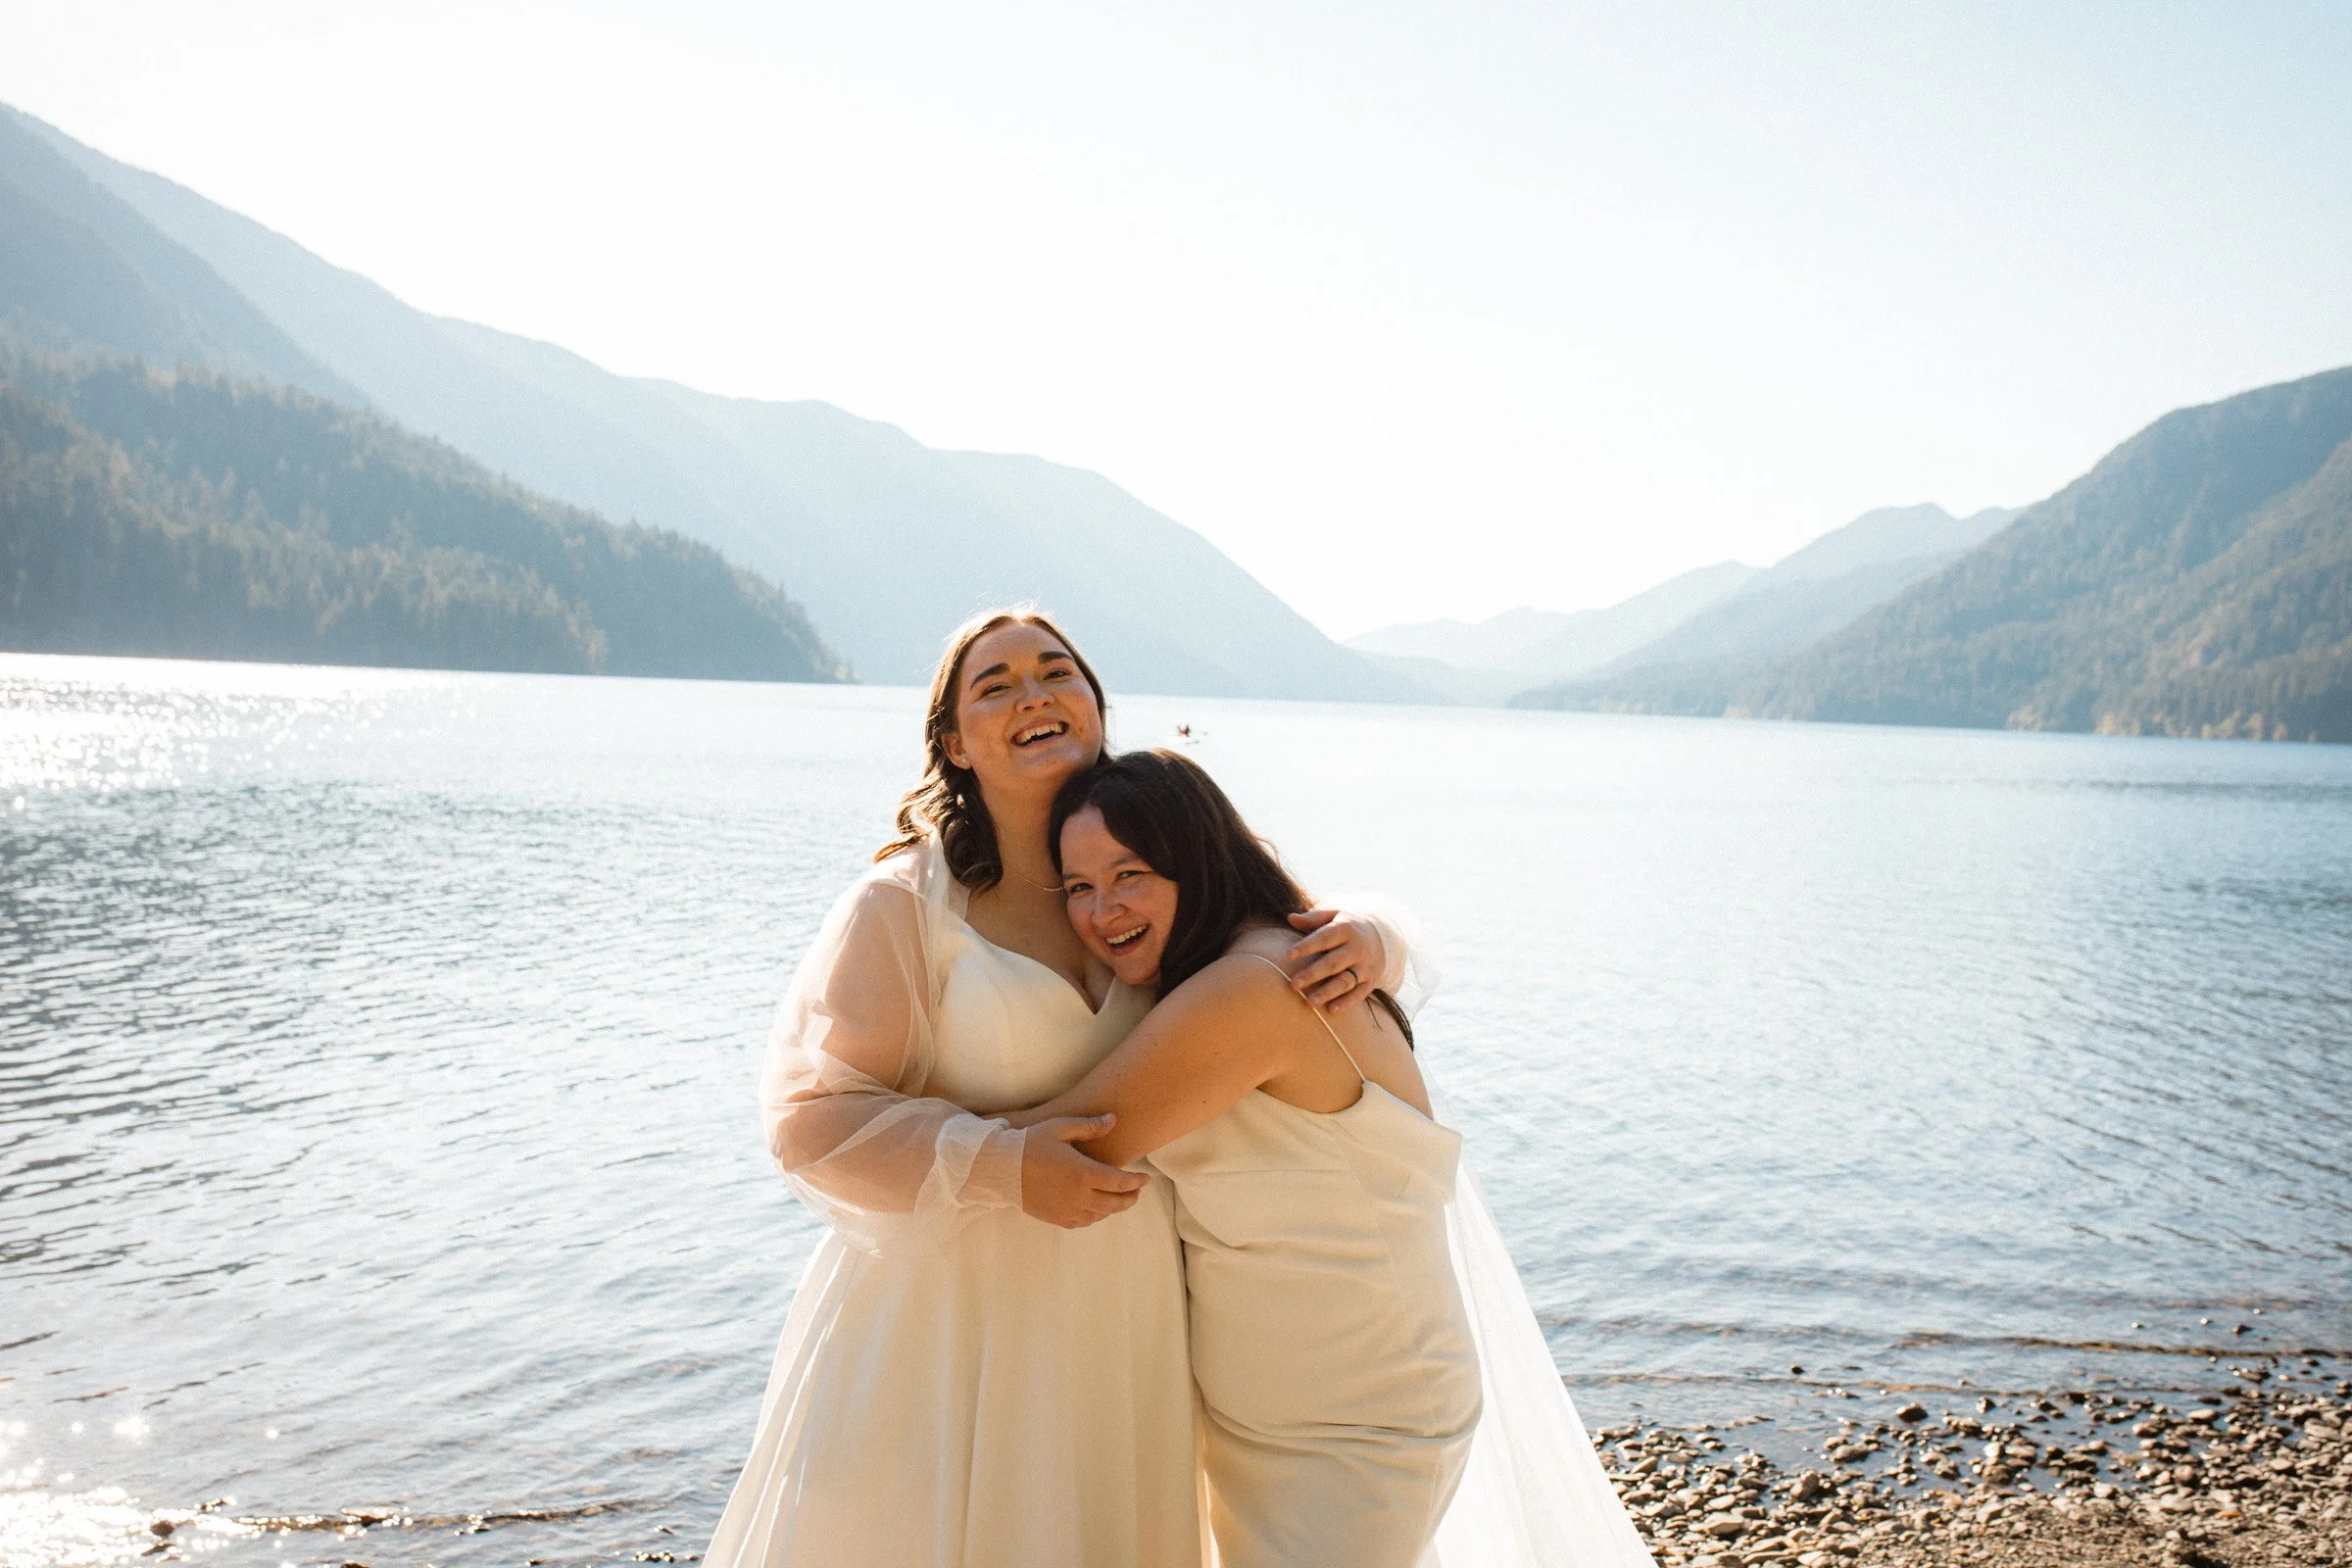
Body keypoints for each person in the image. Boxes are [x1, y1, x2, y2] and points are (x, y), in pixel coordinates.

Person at [703, 610, 1410, 1568]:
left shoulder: (1157, 870)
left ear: (1094, 705)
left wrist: (1377, 937)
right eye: (994, 686)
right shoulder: (905, 907)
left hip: (1127, 1319)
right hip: (948, 1319)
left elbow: (1284, 931)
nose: (1032, 693)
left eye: (1055, 672)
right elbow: (808, 1119)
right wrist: (1000, 1164)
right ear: (955, 744)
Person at [1004, 749, 1661, 1568]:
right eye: (1078, 886)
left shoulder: (1257, 985)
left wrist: (865, 1120)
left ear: (1197, 861)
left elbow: (1067, 1142)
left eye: (1130, 873)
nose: (1103, 910)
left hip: (1358, 1426)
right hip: (1274, 1422)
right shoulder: (1215, 964)